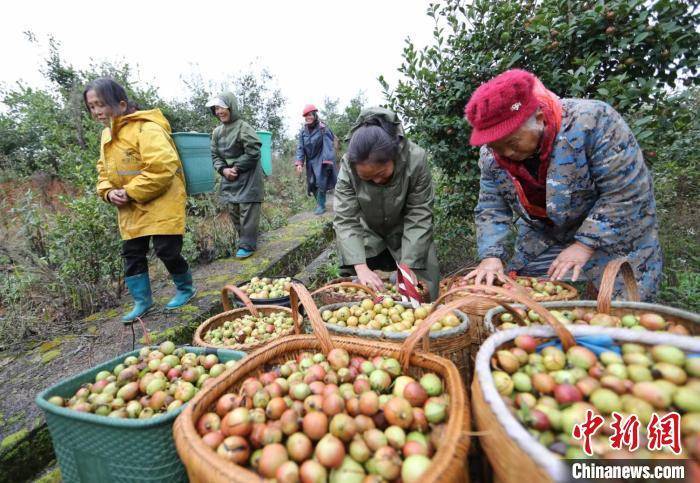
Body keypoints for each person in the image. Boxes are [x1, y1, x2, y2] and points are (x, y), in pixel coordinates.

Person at [463, 69, 662, 300]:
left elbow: (625, 191)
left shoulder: (593, 122)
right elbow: (491, 207)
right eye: (496, 146)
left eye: (513, 142)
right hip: (547, 233)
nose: (506, 152)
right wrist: (491, 255)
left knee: (623, 312)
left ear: (538, 117)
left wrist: (585, 244)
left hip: (616, 230)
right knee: (526, 297)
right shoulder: (491, 155)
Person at [84, 78, 196, 322]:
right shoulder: (106, 135)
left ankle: (186, 288)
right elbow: (103, 172)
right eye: (92, 106)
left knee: (167, 250)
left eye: (101, 104)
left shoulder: (147, 128)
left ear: (121, 104)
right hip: (130, 206)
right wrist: (107, 191)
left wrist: (131, 191)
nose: (97, 111)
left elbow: (163, 166)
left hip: (162, 199)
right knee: (132, 252)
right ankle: (142, 301)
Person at [333, 107, 440, 300]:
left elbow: (419, 213)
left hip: (407, 229)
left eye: (381, 174)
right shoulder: (348, 166)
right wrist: (360, 267)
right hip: (368, 231)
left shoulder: (415, 159)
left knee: (422, 287)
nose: (376, 181)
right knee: (355, 291)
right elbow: (346, 220)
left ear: (394, 156)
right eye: (367, 178)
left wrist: (408, 267)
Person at [207, 92, 263, 259]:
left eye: (222, 107)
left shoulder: (243, 127)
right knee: (234, 211)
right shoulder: (217, 132)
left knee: (247, 212)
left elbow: (254, 152)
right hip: (229, 178)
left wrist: (236, 168)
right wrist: (223, 170)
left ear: (231, 107)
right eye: (216, 108)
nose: (219, 111)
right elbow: (215, 155)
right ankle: (245, 241)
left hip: (248, 178)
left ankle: (247, 244)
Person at [295, 104, 337, 215]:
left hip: (321, 158)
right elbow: (300, 147)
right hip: (310, 160)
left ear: (314, 115)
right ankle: (319, 202)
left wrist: (327, 160)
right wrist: (299, 163)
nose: (308, 118)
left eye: (309, 115)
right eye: (306, 116)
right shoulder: (303, 132)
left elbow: (328, 145)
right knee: (311, 183)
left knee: (320, 181)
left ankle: (321, 205)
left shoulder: (323, 128)